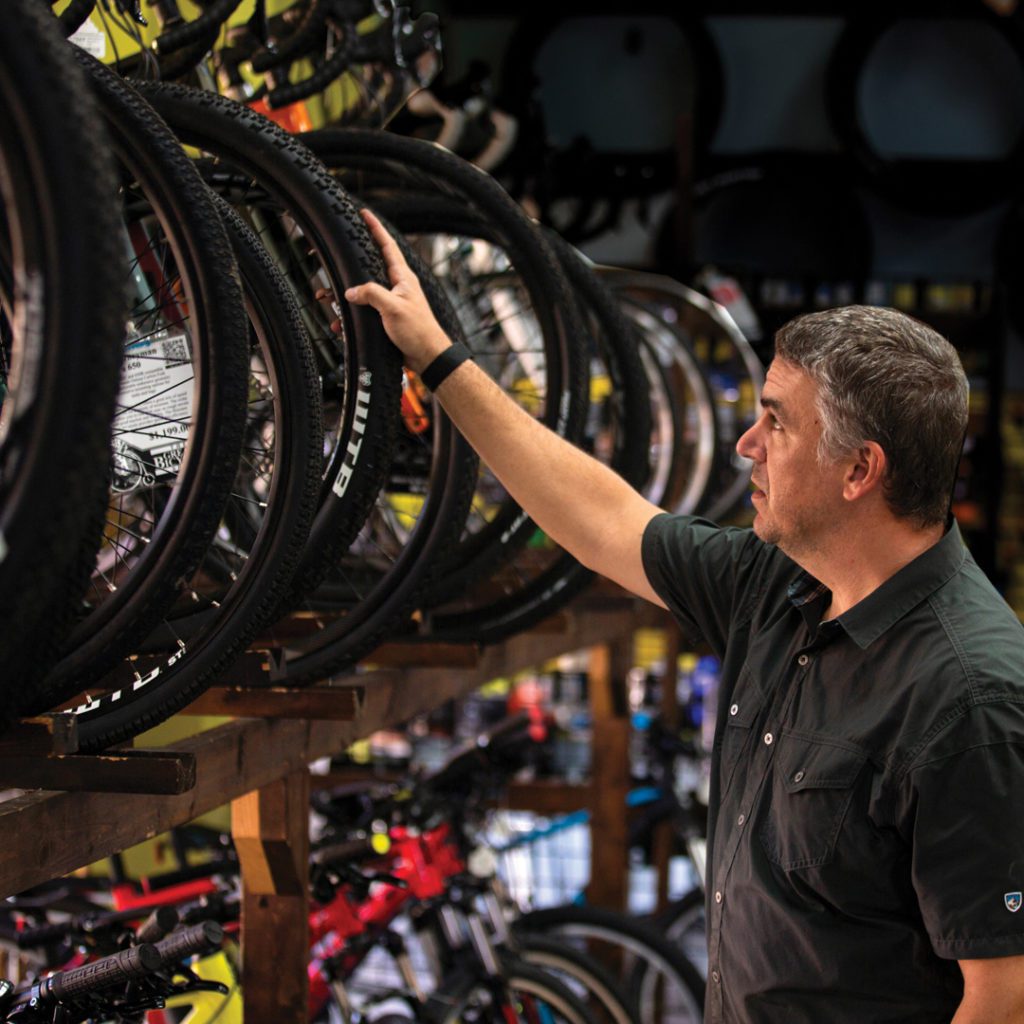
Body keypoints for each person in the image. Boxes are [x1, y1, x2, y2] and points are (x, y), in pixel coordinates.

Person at [345, 208, 1024, 1023]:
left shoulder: (971, 698)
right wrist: (440, 357)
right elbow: (602, 518)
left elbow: (1005, 997)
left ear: (858, 471)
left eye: (776, 421)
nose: (746, 445)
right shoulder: (776, 587)